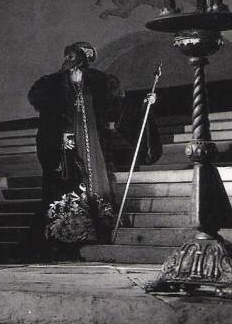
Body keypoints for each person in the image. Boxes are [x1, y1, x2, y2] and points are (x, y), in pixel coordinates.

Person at [28, 41, 160, 247]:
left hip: (95, 142)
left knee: (97, 180)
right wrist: (60, 134)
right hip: (66, 145)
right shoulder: (52, 84)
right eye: (69, 56)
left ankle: (100, 229)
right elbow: (48, 116)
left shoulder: (100, 82)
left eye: (76, 57)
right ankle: (66, 233)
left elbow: (122, 110)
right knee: (69, 181)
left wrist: (145, 104)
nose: (71, 61)